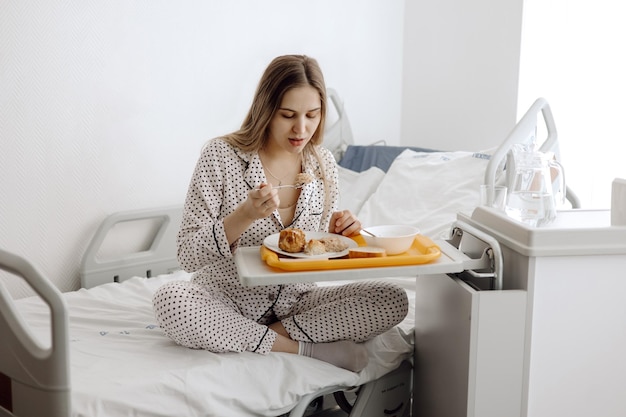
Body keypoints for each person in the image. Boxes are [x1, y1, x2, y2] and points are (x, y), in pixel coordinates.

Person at [152, 54, 408, 372]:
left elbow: (318, 253)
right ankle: (302, 350)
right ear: (266, 110)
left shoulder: (322, 163)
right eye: (288, 115)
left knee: (392, 299)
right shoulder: (221, 156)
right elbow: (187, 255)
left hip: (297, 302)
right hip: (225, 296)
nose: (301, 128)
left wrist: (341, 235)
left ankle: (257, 338)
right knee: (171, 301)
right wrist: (243, 215)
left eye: (312, 115)